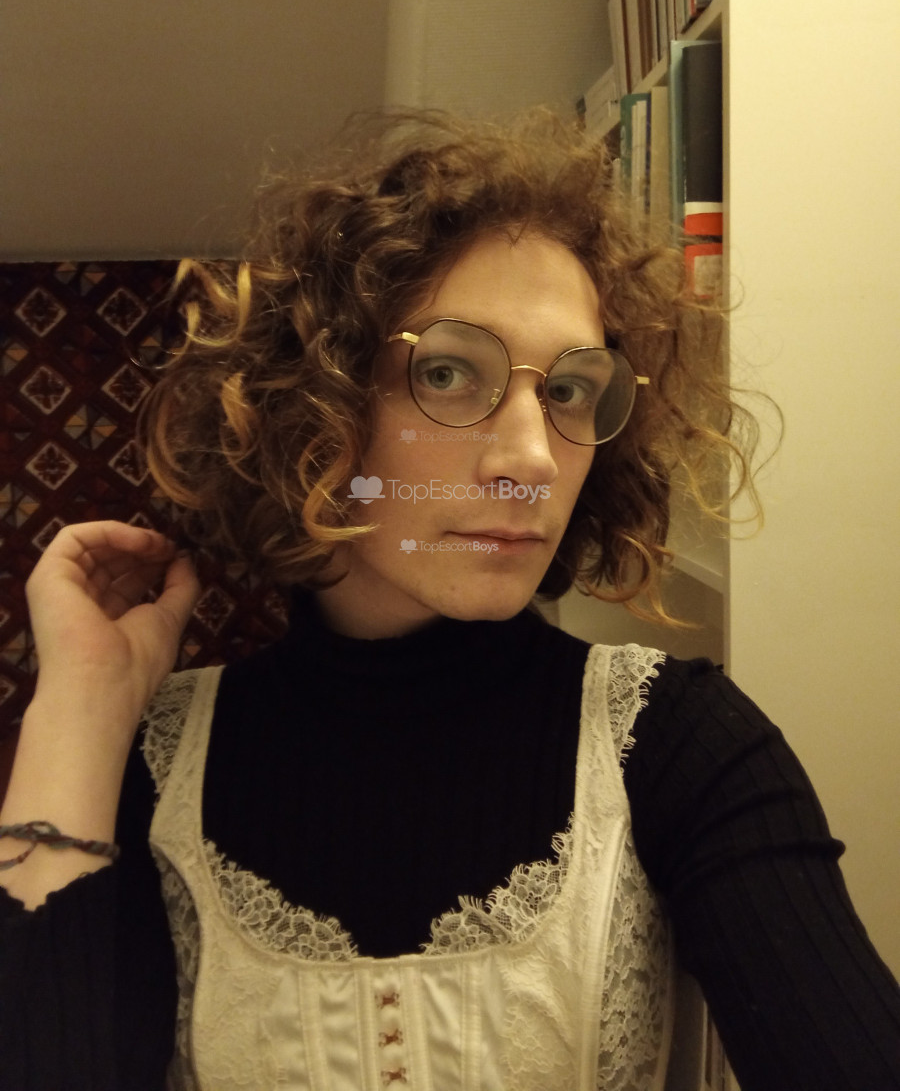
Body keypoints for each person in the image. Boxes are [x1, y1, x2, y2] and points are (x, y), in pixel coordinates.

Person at [1, 109, 898, 1091]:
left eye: (570, 390)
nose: (532, 457)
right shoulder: (154, 764)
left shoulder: (678, 746)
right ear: (313, 410)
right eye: (446, 372)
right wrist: (79, 712)